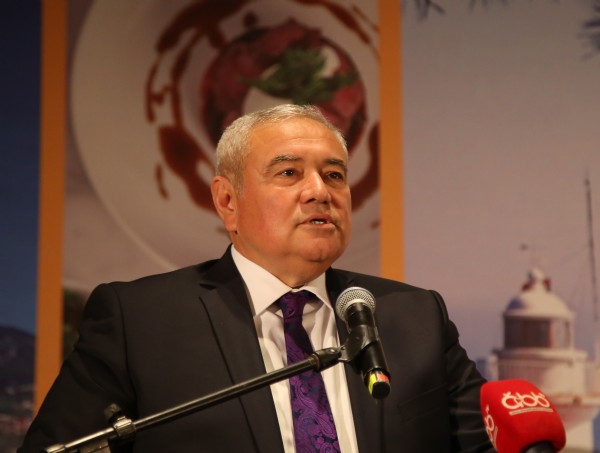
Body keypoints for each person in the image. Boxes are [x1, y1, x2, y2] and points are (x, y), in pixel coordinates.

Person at [20, 104, 493, 452]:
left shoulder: (414, 317)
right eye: (289, 173)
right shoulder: (141, 322)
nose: (319, 191)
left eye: (334, 175)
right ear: (228, 201)